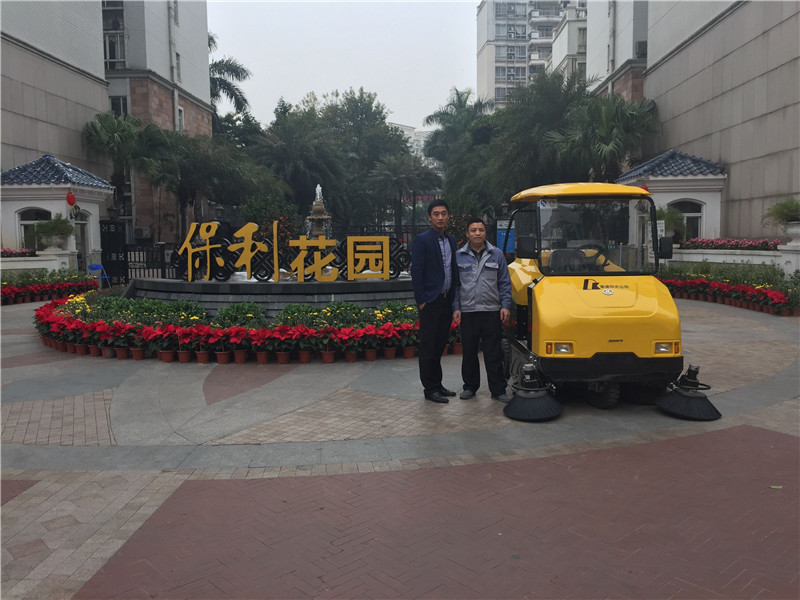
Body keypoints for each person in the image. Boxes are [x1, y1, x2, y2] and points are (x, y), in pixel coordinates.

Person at [453, 218, 512, 402]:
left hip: (491, 310)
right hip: (468, 310)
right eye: (473, 230)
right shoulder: (459, 256)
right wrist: (456, 308)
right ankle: (470, 387)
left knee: (493, 352)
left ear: (485, 233)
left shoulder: (497, 254)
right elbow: (456, 285)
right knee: (469, 352)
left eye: (481, 230)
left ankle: (498, 389)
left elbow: (504, 282)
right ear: (467, 234)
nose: (477, 233)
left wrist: (505, 306)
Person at [411, 200, 460, 404]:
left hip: (446, 301)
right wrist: (421, 301)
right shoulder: (422, 240)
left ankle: (438, 384)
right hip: (430, 302)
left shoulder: (451, 240)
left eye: (444, 213)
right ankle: (430, 389)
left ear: (448, 216)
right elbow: (416, 271)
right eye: (436, 214)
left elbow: (453, 270)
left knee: (439, 345)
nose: (440, 217)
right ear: (430, 217)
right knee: (428, 347)